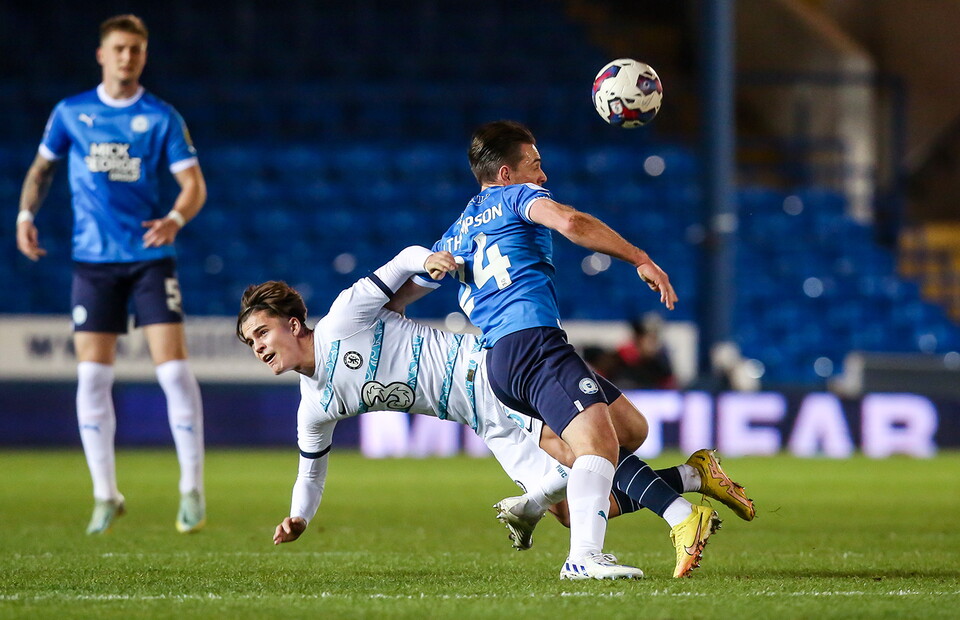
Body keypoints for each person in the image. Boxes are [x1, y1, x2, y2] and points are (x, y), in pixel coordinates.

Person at [236, 246, 755, 571]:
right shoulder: (314, 406)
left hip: (490, 373)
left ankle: (678, 518)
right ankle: (693, 475)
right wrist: (299, 516)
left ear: (294, 323)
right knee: (572, 511)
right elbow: (311, 472)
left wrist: (428, 261)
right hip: (481, 420)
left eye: (262, 333)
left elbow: (401, 262)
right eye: (250, 342)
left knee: (588, 452)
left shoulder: (344, 319)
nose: (258, 347)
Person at [410, 120, 721, 579]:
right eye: (535, 165)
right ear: (505, 174)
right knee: (596, 447)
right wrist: (640, 258)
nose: (543, 175)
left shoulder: (454, 235)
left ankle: (679, 485)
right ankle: (586, 556)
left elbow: (410, 283)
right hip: (532, 344)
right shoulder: (516, 197)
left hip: (502, 361)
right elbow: (572, 222)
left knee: (628, 430)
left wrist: (420, 261)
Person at [15, 14, 207, 535]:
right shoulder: (71, 112)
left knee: (174, 372)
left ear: (144, 56)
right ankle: (106, 495)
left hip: (148, 258)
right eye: (119, 48)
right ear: (102, 54)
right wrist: (25, 215)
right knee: (93, 377)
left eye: (136, 50)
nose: (127, 57)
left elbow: (193, 185)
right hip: (93, 262)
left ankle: (191, 488)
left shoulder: (160, 117)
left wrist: (174, 219)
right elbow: (41, 169)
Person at [613, 315, 677, 389]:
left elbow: (670, 386)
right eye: (650, 339)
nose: (654, 344)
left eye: (655, 338)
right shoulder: (621, 359)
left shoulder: (660, 362)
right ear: (638, 339)